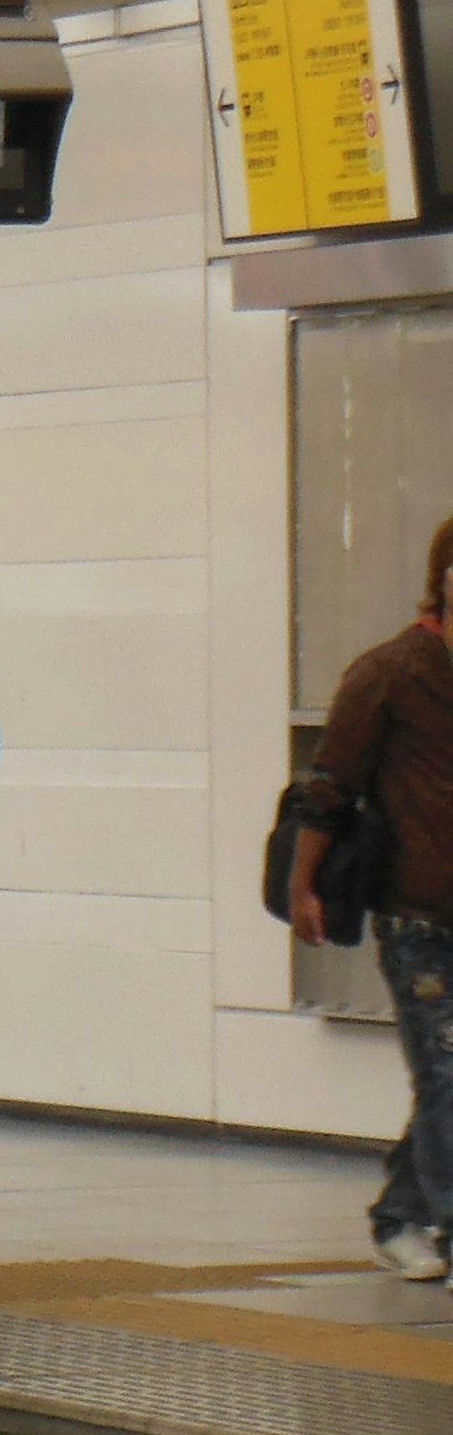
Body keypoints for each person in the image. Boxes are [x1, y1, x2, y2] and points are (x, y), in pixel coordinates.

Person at [292, 514, 453, 1280]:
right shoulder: (391, 672)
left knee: (447, 1077)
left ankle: (398, 1215)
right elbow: (330, 783)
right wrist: (303, 884)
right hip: (417, 914)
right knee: (448, 1074)